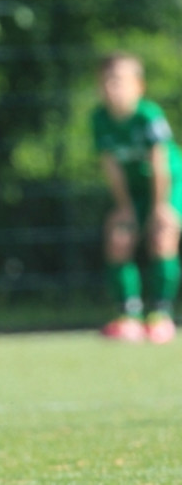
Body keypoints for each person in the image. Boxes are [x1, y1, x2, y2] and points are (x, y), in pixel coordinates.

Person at [92, 51, 181, 344]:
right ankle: (128, 314)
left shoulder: (148, 115)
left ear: (138, 86)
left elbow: (160, 165)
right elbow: (112, 167)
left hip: (168, 186)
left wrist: (160, 208)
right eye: (105, 81)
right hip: (133, 193)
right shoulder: (100, 119)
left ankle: (161, 314)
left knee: (161, 237)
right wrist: (125, 208)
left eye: (118, 80)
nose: (110, 87)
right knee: (119, 237)